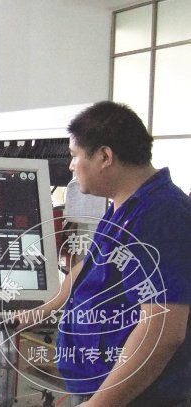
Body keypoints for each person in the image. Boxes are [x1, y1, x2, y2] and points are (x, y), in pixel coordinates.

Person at [18, 101, 191, 407]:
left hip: (135, 396)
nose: (71, 166)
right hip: (99, 384)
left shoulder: (161, 214)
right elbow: (90, 265)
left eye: (75, 155)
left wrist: (100, 403)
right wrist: (43, 311)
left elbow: (163, 330)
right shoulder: (124, 206)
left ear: (105, 157)